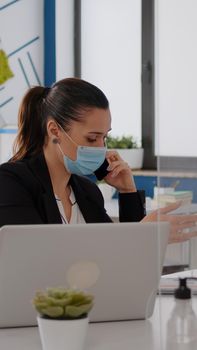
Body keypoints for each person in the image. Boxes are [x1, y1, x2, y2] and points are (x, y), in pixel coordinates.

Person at [0, 78, 196, 244]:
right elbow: (36, 257)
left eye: (104, 137)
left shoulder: (87, 192)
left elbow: (124, 262)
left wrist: (128, 192)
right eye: (92, 138)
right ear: (54, 130)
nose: (101, 148)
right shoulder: (11, 182)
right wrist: (142, 236)